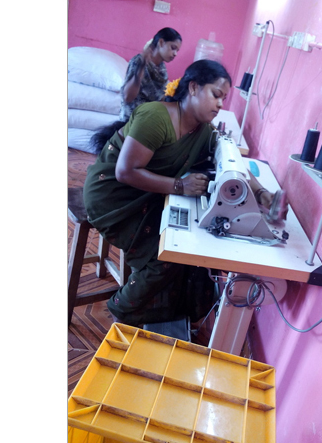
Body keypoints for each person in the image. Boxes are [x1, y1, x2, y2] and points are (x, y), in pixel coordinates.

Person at [84, 59, 275, 327]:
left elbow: (234, 162)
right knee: (166, 254)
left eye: (223, 98)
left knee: (190, 245)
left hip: (146, 196)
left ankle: (170, 317)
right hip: (113, 198)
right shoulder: (156, 117)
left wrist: (261, 192)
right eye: (216, 95)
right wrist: (179, 186)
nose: (220, 104)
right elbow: (125, 172)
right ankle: (121, 308)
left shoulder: (202, 131)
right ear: (193, 88)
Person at [119, 27, 182, 122]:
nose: (175, 54)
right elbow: (127, 97)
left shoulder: (162, 68)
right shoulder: (139, 62)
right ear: (161, 42)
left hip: (149, 118)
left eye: (177, 50)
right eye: (173, 48)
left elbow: (159, 97)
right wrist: (139, 72)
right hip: (132, 119)